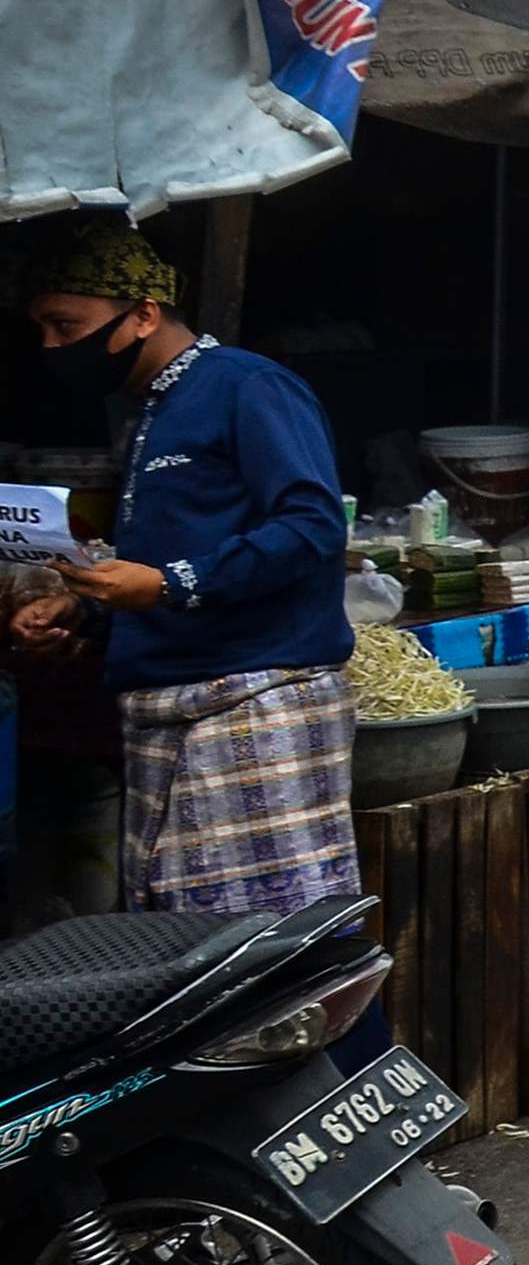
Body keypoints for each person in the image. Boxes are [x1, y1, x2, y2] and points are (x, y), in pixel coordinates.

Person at [12, 220, 357, 917]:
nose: (51, 346)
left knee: (270, 948)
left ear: (143, 312)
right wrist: (87, 609)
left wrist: (170, 583)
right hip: (168, 714)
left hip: (252, 706)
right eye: (41, 327)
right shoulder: (151, 408)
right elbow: (175, 559)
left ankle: (360, 1035)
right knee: (180, 945)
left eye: (64, 323)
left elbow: (312, 527)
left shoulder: (246, 386)